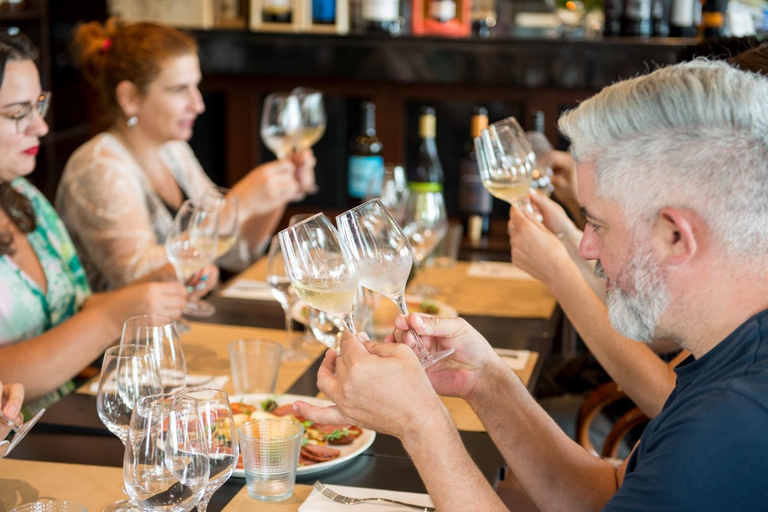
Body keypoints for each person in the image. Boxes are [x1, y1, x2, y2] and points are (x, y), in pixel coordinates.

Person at [295, 59, 768, 511]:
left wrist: (422, 424)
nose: (584, 246)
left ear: (675, 236)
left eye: (597, 224)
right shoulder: (729, 353)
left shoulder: (731, 424)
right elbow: (609, 493)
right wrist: (485, 379)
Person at [0, 32, 187, 416]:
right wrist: (112, 316)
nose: (40, 127)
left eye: (39, 106)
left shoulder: (23, 198)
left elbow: (71, 307)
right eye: (18, 112)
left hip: (69, 417)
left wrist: (147, 298)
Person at [56, 19, 317, 291]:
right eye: (180, 90)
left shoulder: (173, 150)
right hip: (129, 331)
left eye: (196, 87)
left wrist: (276, 194)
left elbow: (236, 254)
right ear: (129, 97)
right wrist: (240, 205)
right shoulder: (99, 168)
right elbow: (136, 276)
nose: (199, 105)